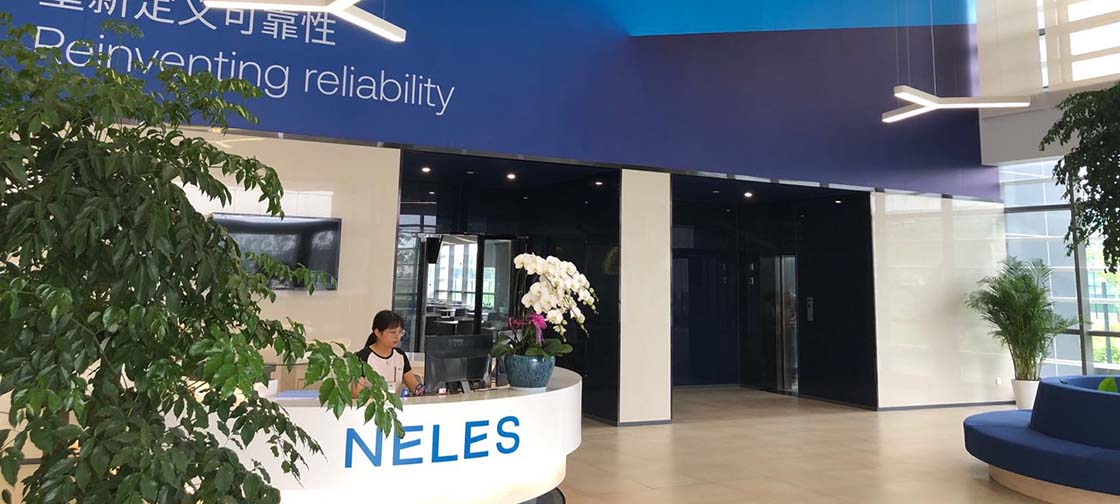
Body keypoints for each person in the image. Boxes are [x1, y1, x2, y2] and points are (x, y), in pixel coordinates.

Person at [351, 310, 422, 398]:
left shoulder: (400, 355)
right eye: (392, 332)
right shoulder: (363, 357)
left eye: (400, 332)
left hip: (394, 404)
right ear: (377, 333)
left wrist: (424, 390)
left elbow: (414, 386)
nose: (397, 337)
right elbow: (356, 395)